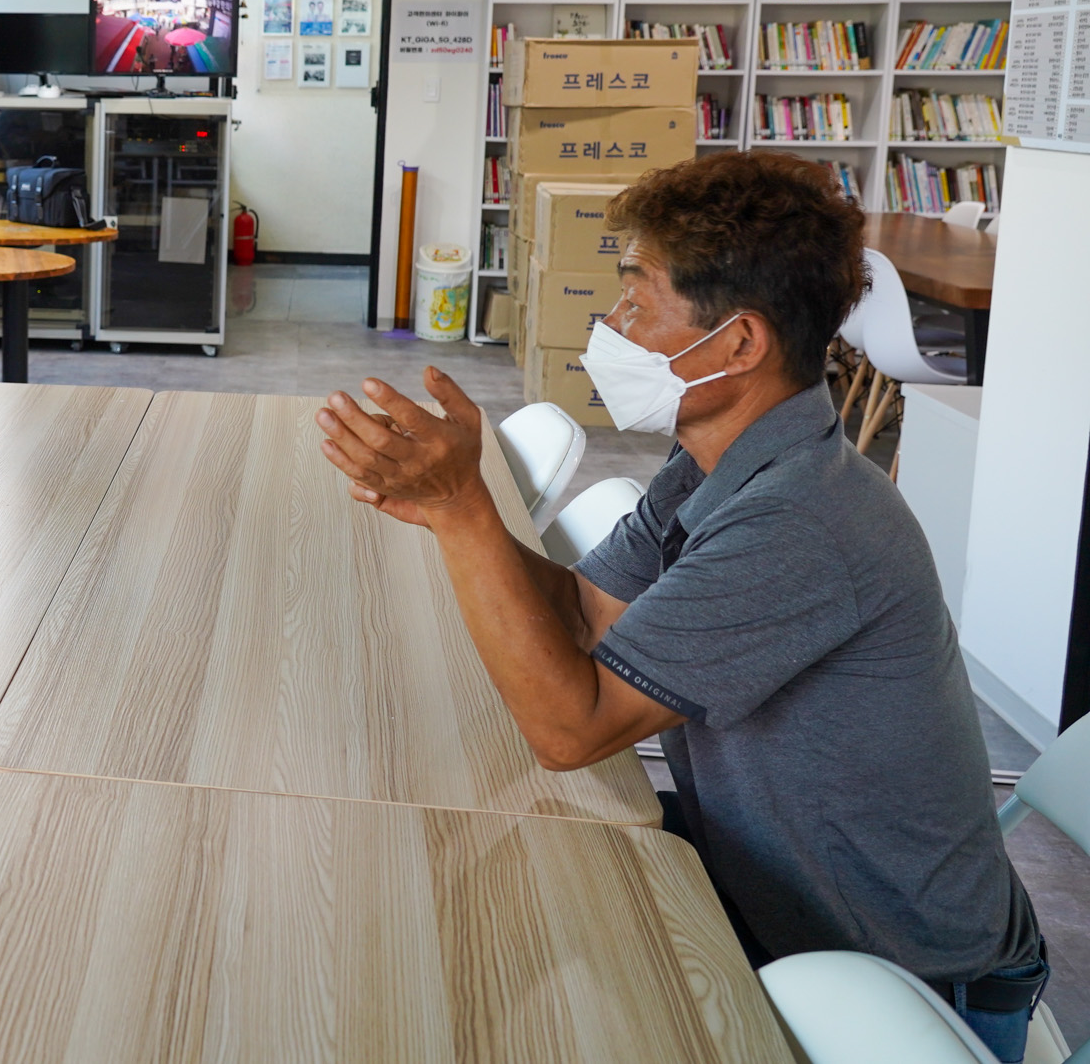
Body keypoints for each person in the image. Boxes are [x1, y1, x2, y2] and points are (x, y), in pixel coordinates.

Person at [315, 151, 1046, 1061]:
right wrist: (450, 510)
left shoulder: (800, 518)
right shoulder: (717, 460)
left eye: (637, 300)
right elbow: (588, 610)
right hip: (772, 909)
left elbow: (571, 729)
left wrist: (464, 507)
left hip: (897, 1001)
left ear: (739, 344)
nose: (611, 326)